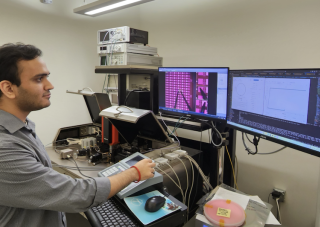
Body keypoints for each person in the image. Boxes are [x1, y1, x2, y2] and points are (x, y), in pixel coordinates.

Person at [0, 43, 156, 227]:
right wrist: (134, 173)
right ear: (8, 88)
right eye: (39, 79)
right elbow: (75, 194)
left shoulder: (22, 126)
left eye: (47, 77)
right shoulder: (5, 147)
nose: (50, 85)